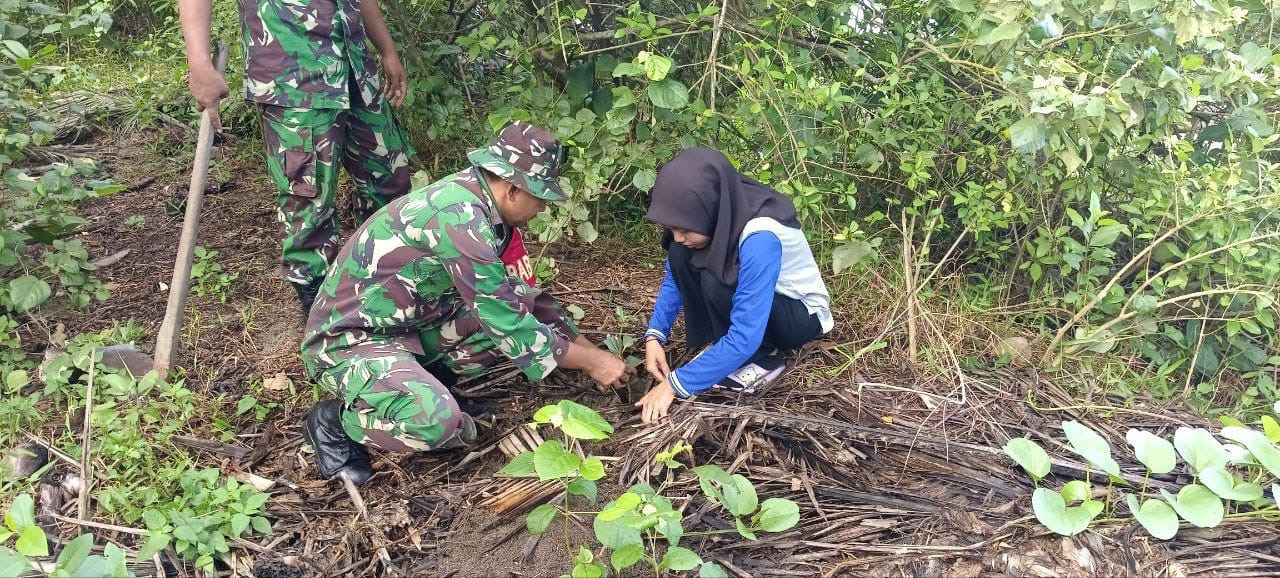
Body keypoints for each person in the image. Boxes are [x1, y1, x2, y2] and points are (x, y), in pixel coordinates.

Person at [299, 121, 632, 484]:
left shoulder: (485, 208)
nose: (541, 210)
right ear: (512, 189)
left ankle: (425, 382)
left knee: (523, 299)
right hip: (349, 342)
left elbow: (524, 303)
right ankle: (338, 421)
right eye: (540, 198)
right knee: (437, 424)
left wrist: (596, 355)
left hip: (408, 327)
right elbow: (508, 325)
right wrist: (593, 362)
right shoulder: (460, 219)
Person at [178, 0, 415, 319]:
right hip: (293, 78)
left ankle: (388, 293)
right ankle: (324, 323)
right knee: (308, 206)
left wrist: (386, 49)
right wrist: (199, 63)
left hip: (357, 70)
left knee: (390, 183)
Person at [635, 148, 834, 424]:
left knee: (716, 279)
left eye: (685, 229)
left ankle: (768, 358)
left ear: (710, 210)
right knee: (679, 254)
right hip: (758, 303)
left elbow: (746, 334)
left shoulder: (761, 236)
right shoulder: (717, 218)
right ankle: (722, 347)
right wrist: (654, 336)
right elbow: (674, 279)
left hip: (797, 315)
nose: (678, 236)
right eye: (673, 229)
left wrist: (674, 385)